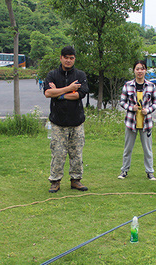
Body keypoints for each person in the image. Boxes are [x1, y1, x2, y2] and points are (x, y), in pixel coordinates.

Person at [44, 46, 89, 193]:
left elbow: (79, 94)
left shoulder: (80, 75)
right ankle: (55, 181)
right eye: (66, 57)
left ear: (74, 59)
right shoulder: (52, 75)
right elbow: (47, 93)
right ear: (61, 58)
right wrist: (69, 88)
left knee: (76, 153)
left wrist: (59, 93)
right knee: (58, 152)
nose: (68, 60)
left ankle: (76, 180)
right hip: (58, 122)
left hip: (77, 122)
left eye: (71, 58)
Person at [118, 60, 156, 181]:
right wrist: (131, 108)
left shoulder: (151, 86)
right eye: (137, 69)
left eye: (142, 68)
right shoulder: (128, 85)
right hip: (131, 122)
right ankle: (124, 171)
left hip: (146, 123)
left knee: (148, 149)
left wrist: (148, 110)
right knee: (128, 148)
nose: (140, 71)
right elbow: (122, 102)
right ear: (134, 70)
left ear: (145, 70)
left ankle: (150, 172)